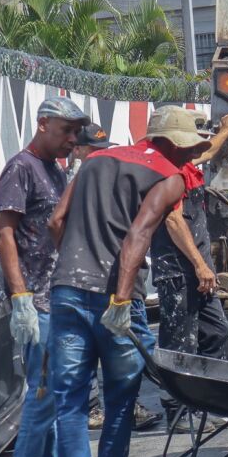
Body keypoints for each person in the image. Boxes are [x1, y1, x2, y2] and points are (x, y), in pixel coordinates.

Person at [46, 106, 210, 457]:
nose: (191, 155)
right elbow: (138, 236)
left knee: (70, 404)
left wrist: (73, 260)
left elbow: (57, 221)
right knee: (120, 402)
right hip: (117, 299)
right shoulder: (168, 176)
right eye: (187, 148)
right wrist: (120, 300)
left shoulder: (95, 159)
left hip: (67, 290)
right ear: (169, 142)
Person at [0, 97, 88, 457]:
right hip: (38, 302)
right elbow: (4, 233)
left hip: (57, 298)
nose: (73, 139)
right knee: (45, 395)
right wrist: (20, 297)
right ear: (43, 123)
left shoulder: (55, 170)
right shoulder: (21, 168)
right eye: (67, 130)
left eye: (76, 132)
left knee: (52, 396)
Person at [65, 123, 162, 432]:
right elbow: (58, 224)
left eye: (102, 149)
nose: (99, 156)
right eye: (92, 150)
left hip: (116, 278)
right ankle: (103, 408)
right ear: (77, 151)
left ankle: (127, 407)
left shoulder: (110, 176)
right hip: (100, 281)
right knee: (127, 345)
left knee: (122, 347)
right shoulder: (77, 180)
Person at [151, 113, 228, 431]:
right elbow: (174, 222)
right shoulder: (163, 172)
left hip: (198, 271)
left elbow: (206, 152)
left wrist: (226, 130)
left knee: (219, 334)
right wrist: (200, 265)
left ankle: (203, 401)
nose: (195, 147)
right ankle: (177, 410)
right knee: (180, 344)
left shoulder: (184, 162)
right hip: (178, 270)